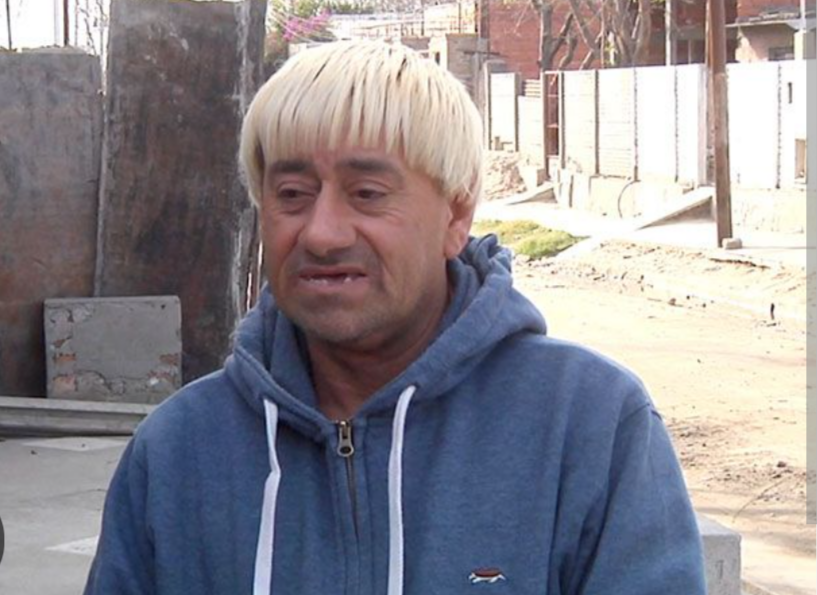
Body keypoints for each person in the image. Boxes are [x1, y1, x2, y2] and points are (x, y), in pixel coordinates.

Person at [84, 40, 705, 594]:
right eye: (292, 195)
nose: (322, 234)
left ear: (456, 215)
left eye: (367, 194)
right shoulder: (178, 453)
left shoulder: (588, 426)